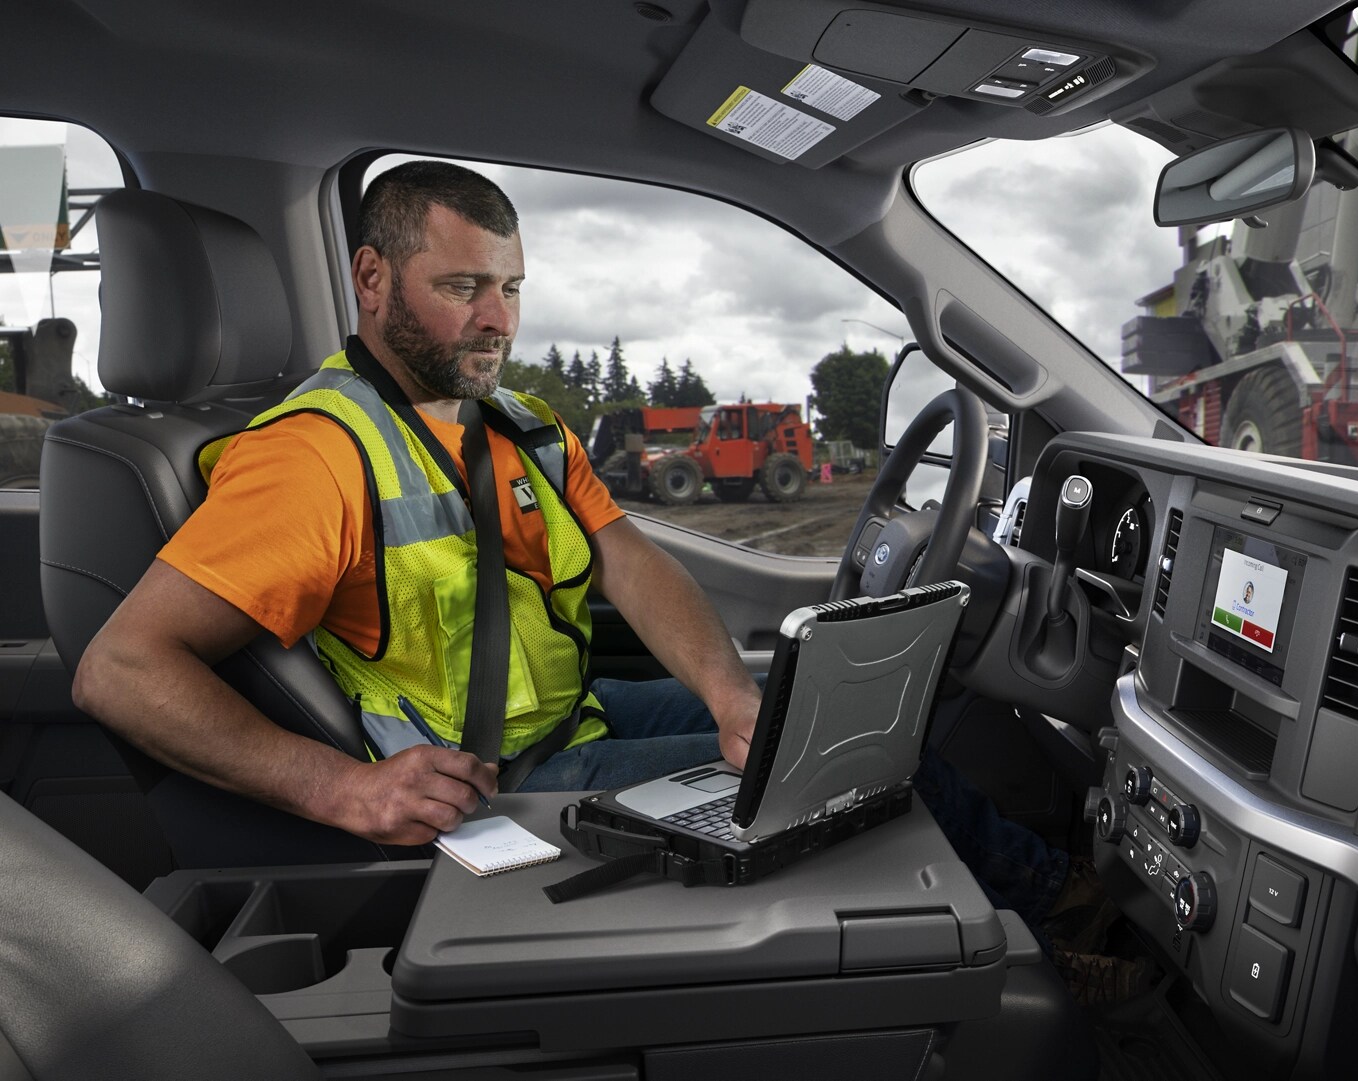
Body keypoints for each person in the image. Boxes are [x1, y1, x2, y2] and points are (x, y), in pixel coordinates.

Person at [72, 161, 1084, 951]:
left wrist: (731, 695)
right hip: (505, 781)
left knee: (827, 723)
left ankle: (1040, 902)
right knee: (866, 771)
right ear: (371, 279)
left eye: (509, 287)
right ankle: (1064, 925)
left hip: (568, 715)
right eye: (461, 285)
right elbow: (120, 670)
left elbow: (632, 564)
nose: (497, 317)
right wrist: (338, 788)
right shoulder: (314, 458)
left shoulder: (522, 427)